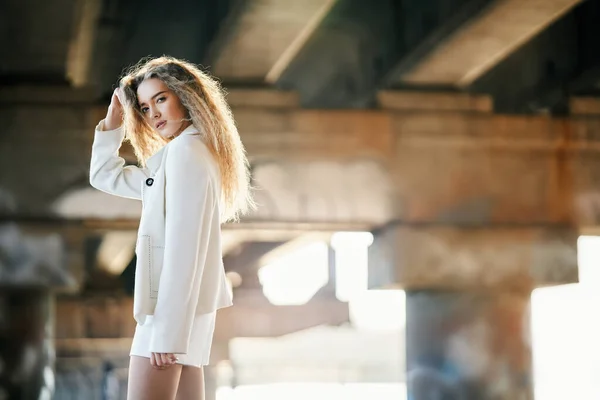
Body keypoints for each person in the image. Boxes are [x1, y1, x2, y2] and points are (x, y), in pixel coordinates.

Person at [89, 56, 253, 400]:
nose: (154, 114)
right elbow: (106, 175)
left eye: (160, 99)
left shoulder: (186, 154)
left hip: (169, 316)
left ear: (186, 96)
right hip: (182, 315)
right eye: (146, 108)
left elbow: (183, 248)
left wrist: (166, 332)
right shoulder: (188, 154)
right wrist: (113, 123)